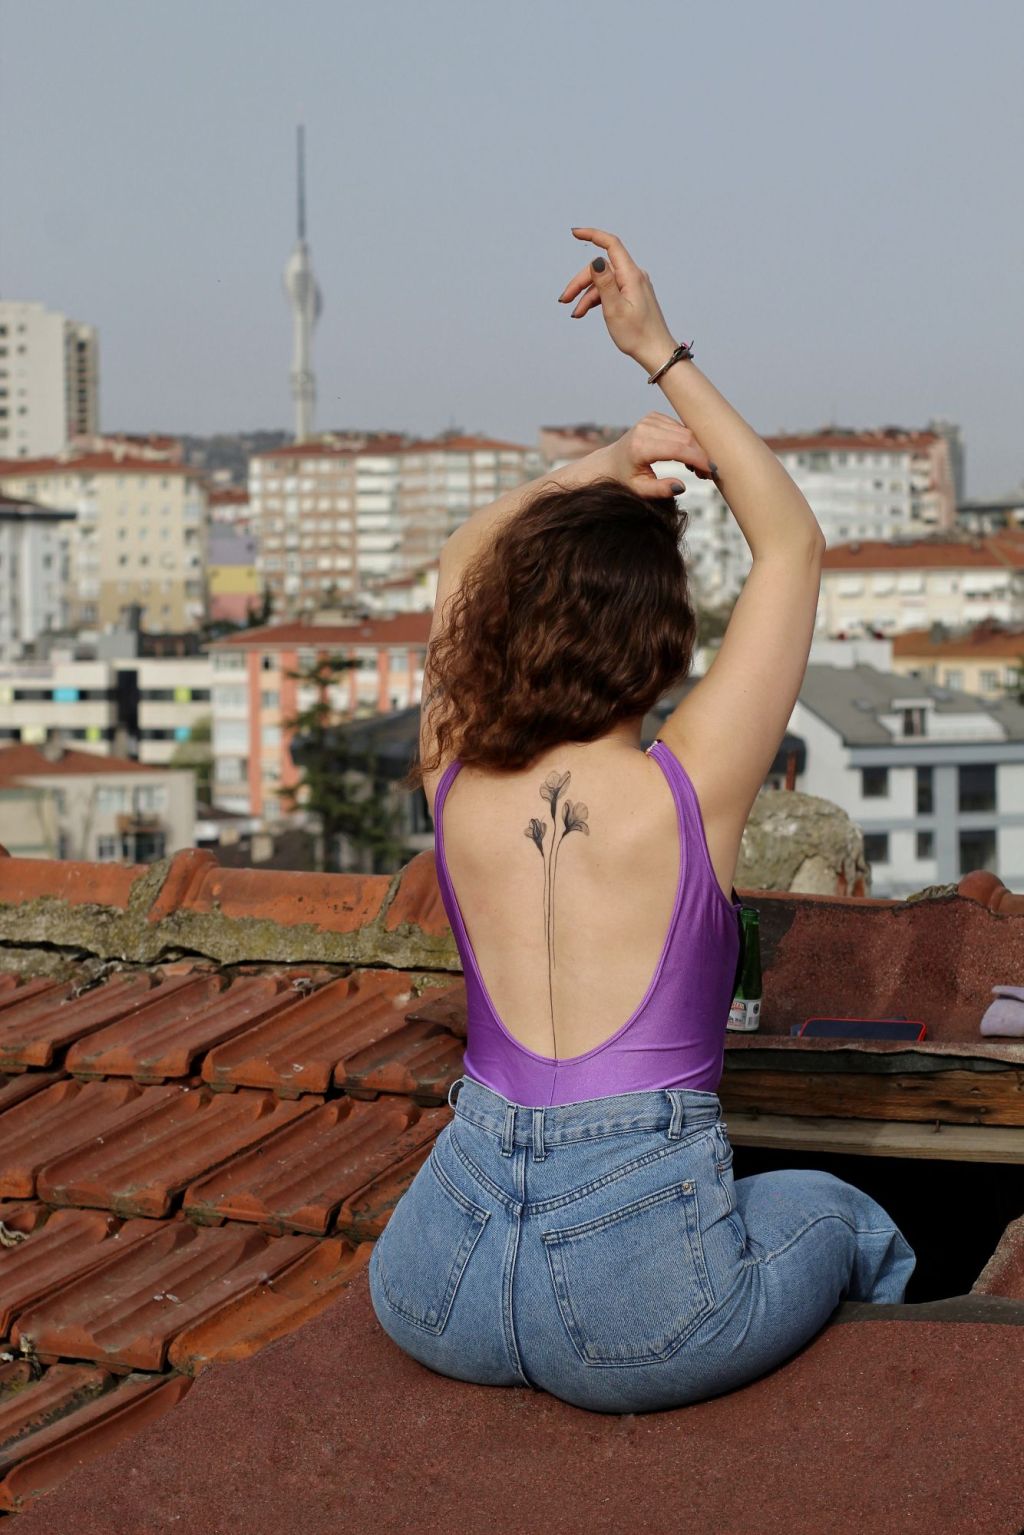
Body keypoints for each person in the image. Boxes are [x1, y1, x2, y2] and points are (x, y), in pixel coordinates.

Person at [368, 228, 915, 1414]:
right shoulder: (685, 785)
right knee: (840, 1211)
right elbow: (791, 542)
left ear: (505, 628)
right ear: (660, 645)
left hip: (434, 1283)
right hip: (637, 1316)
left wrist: (603, 464)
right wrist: (657, 351)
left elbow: (462, 561)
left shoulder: (454, 774)